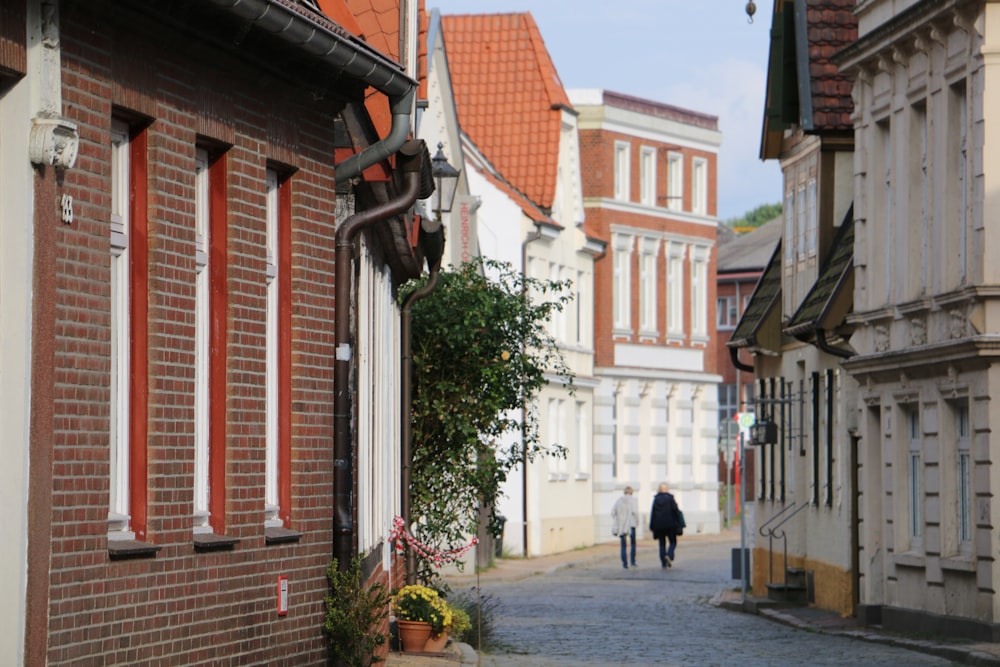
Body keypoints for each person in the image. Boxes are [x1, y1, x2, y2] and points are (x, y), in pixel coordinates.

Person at [649, 483, 681, 568]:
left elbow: (653, 513)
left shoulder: (656, 499)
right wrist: (679, 523)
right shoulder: (670, 498)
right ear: (666, 489)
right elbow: (675, 510)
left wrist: (652, 526)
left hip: (659, 525)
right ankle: (669, 555)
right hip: (670, 524)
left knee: (662, 544)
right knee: (673, 542)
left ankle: (663, 563)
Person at [611, 486, 639, 569]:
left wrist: (619, 519)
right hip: (631, 524)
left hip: (622, 525)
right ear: (631, 492)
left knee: (623, 545)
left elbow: (613, 512)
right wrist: (637, 522)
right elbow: (635, 512)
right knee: (633, 543)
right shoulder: (634, 500)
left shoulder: (619, 500)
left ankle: (624, 563)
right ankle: (633, 561)